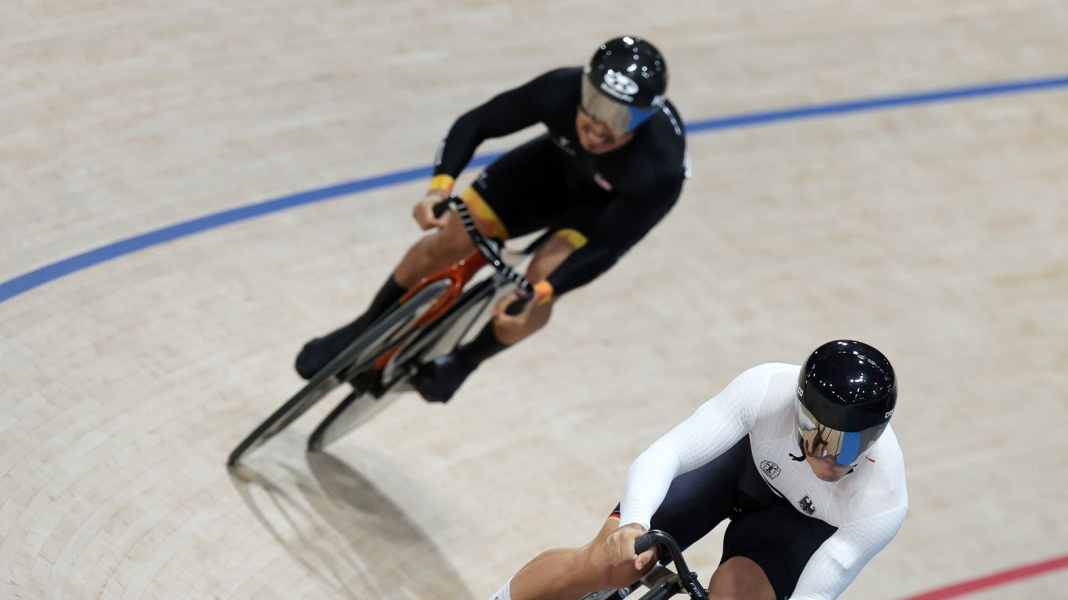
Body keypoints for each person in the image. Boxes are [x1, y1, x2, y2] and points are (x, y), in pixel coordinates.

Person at [294, 35, 688, 402]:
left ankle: (464, 361)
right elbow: (478, 122)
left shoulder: (659, 167)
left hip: (596, 211)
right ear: (584, 87)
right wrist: (440, 188)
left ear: (644, 119)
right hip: (547, 172)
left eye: (620, 119)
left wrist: (546, 289)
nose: (600, 127)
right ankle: (363, 328)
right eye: (597, 105)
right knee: (448, 240)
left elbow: (609, 246)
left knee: (535, 290)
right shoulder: (560, 90)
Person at [491, 340, 908, 600]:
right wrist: (633, 524)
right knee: (611, 562)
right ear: (798, 412)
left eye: (853, 445)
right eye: (820, 439)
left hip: (794, 527)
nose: (833, 459)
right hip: (735, 472)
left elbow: (816, 593)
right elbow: (667, 453)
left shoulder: (882, 502)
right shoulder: (765, 390)